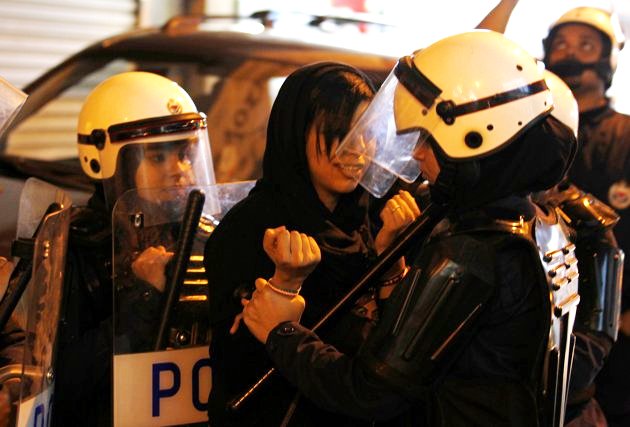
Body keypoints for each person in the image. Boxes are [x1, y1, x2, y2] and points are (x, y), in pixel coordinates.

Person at [242, 30, 579, 426]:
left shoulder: (473, 251)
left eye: (428, 140)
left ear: (473, 141)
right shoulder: (540, 224)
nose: (417, 153)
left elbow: (369, 391)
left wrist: (281, 332)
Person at [204, 62, 420, 426]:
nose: (357, 149)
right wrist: (284, 285)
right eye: (340, 132)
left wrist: (390, 261)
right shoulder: (252, 228)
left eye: (367, 132)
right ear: (295, 131)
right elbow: (236, 362)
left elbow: (392, 354)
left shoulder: (372, 219)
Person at [49, 71, 215, 426]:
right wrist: (144, 296)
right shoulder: (80, 246)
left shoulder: (203, 237)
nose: (180, 169)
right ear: (112, 162)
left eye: (185, 153)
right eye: (157, 157)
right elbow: (64, 381)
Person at [543, 8, 630, 426]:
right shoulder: (537, 130)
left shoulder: (626, 134)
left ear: (606, 60)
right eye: (560, 44)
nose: (570, 53)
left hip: (618, 325)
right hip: (544, 322)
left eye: (585, 45)